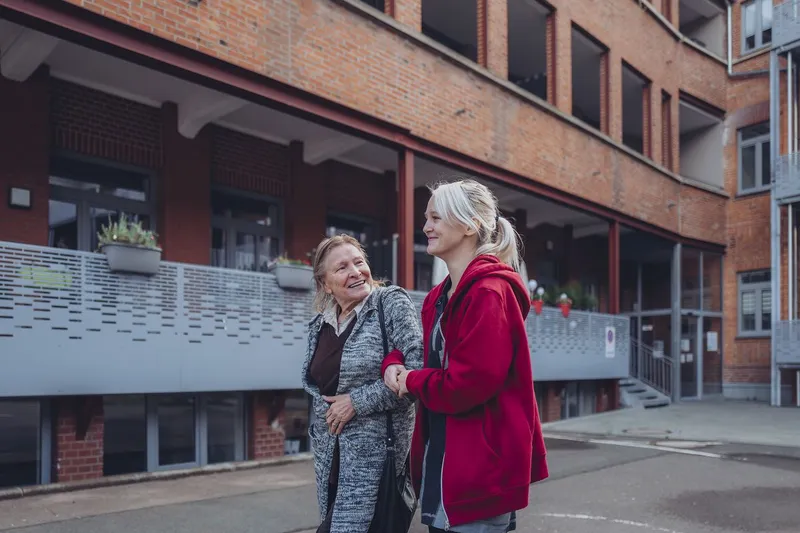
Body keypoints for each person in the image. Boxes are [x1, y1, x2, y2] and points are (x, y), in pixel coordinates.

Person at [382, 179, 549, 533]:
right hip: (443, 467)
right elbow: (420, 355)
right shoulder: (437, 298)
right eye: (426, 218)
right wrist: (394, 362)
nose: (426, 227)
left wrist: (410, 380)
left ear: (470, 225)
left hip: (479, 473)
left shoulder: (489, 293)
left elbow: (466, 385)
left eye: (436, 218)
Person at [301, 234, 423, 533]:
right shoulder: (320, 325)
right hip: (331, 460)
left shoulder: (389, 303)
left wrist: (356, 402)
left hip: (376, 462)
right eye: (342, 267)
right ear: (325, 284)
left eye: (359, 262)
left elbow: (416, 370)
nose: (355, 272)